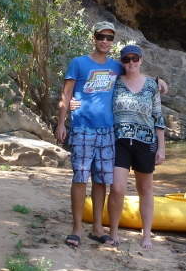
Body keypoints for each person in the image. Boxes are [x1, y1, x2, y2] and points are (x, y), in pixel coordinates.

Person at [55, 21, 121, 248]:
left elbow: (135, 73)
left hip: (107, 131)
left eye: (109, 38)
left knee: (102, 180)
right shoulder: (78, 63)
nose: (105, 40)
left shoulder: (116, 66)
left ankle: (97, 228)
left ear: (113, 41)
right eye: (101, 36)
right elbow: (66, 95)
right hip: (82, 128)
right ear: (94, 38)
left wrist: (158, 81)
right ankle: (76, 228)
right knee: (80, 176)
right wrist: (61, 123)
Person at [106, 44, 165, 249]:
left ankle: (146, 235)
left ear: (141, 60)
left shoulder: (151, 86)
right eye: (126, 59)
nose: (131, 62)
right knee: (117, 189)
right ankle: (113, 232)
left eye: (135, 58)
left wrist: (161, 148)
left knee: (145, 189)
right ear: (122, 62)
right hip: (119, 141)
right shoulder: (115, 83)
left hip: (146, 143)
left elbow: (158, 117)